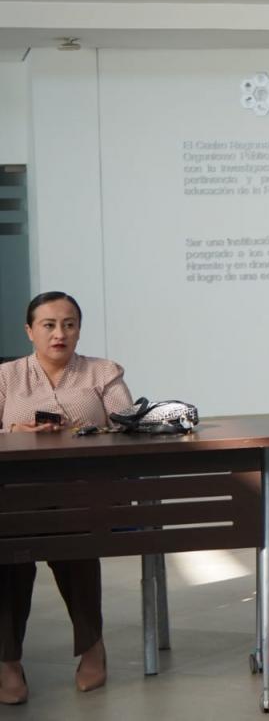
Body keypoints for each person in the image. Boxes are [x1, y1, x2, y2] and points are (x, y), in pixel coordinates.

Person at [0, 292, 130, 704]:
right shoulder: (6, 377)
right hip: (17, 493)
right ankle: (7, 660)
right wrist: (14, 433)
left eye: (69, 324)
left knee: (74, 537)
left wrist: (81, 431)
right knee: (9, 548)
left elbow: (127, 427)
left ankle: (91, 647)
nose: (60, 333)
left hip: (82, 491)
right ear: (29, 331)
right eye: (49, 325)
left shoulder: (102, 371)